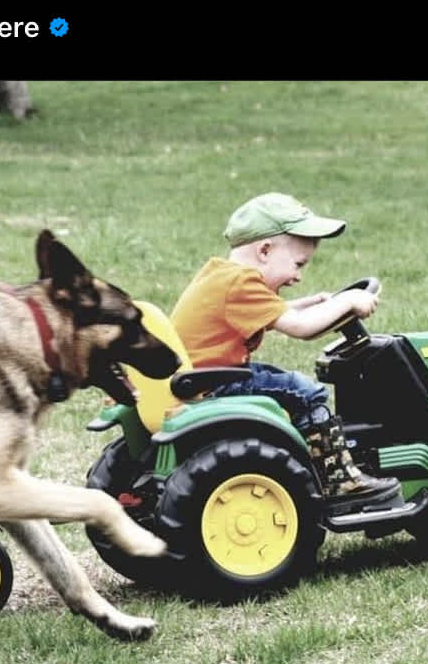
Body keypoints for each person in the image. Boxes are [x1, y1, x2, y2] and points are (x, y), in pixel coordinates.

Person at [170, 192, 401, 508]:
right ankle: (340, 479)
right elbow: (301, 328)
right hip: (215, 383)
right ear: (265, 250)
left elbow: (272, 313)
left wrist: (312, 303)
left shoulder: (223, 275)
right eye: (298, 264)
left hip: (200, 377)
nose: (298, 276)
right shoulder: (242, 284)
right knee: (307, 393)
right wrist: (348, 301)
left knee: (283, 384)